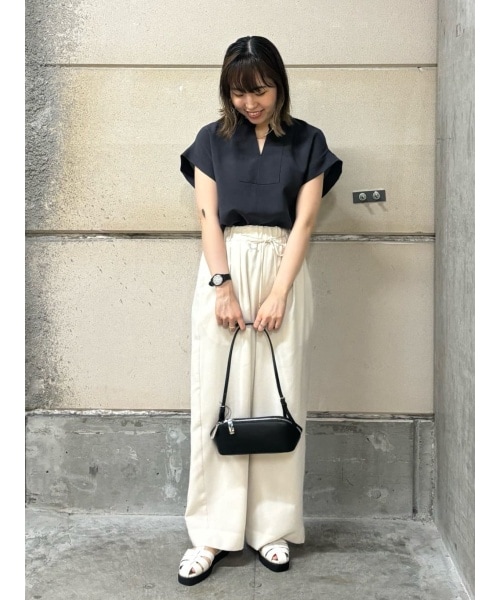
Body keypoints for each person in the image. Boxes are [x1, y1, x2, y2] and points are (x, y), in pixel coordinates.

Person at [178, 35, 342, 586]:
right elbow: (207, 217)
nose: (250, 102)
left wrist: (279, 291)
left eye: (261, 90)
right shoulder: (210, 140)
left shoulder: (309, 142)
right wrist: (222, 285)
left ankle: (272, 528)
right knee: (214, 395)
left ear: (280, 86)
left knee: (281, 393)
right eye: (239, 92)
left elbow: (305, 222)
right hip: (223, 265)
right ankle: (210, 533)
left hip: (283, 267)